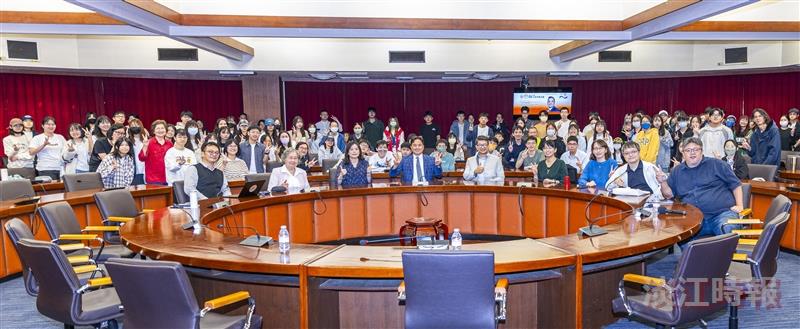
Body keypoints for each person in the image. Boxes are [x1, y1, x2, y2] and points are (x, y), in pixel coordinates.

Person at [659, 137, 743, 237]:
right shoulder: (677, 171)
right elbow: (668, 195)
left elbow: (736, 184)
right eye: (688, 150)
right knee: (679, 236)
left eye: (696, 149)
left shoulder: (717, 164)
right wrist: (663, 182)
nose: (692, 153)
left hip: (722, 214)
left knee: (727, 230)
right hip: (693, 218)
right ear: (683, 153)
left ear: (702, 151)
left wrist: (740, 206)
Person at [139, 120, 173, 185]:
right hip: (153, 179)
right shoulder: (149, 142)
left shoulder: (170, 144)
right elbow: (141, 158)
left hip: (168, 178)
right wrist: (145, 146)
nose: (160, 130)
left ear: (166, 130)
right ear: (154, 131)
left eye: (162, 128)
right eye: (158, 128)